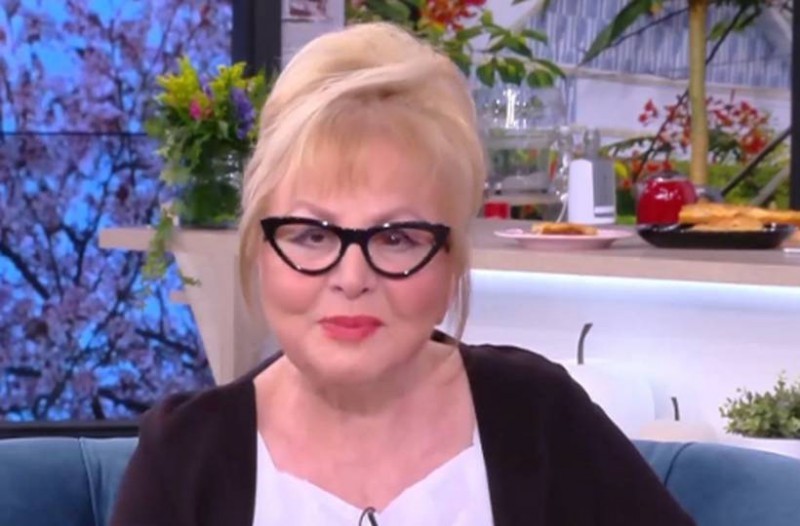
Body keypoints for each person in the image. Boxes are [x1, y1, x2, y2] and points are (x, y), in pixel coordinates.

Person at [111, 22, 696, 526]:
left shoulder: (538, 417)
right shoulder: (184, 458)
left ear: (451, 258)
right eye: (312, 235)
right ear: (261, 249)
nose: (352, 277)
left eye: (396, 238)